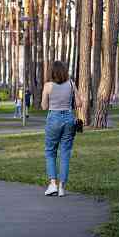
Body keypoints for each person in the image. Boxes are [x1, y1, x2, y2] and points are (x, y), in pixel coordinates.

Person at [41, 60, 82, 197]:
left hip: (53, 118)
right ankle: (62, 187)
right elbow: (79, 103)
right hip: (68, 118)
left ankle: (52, 184)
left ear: (51, 72)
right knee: (65, 152)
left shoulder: (48, 86)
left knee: (50, 151)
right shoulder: (71, 84)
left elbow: (44, 107)